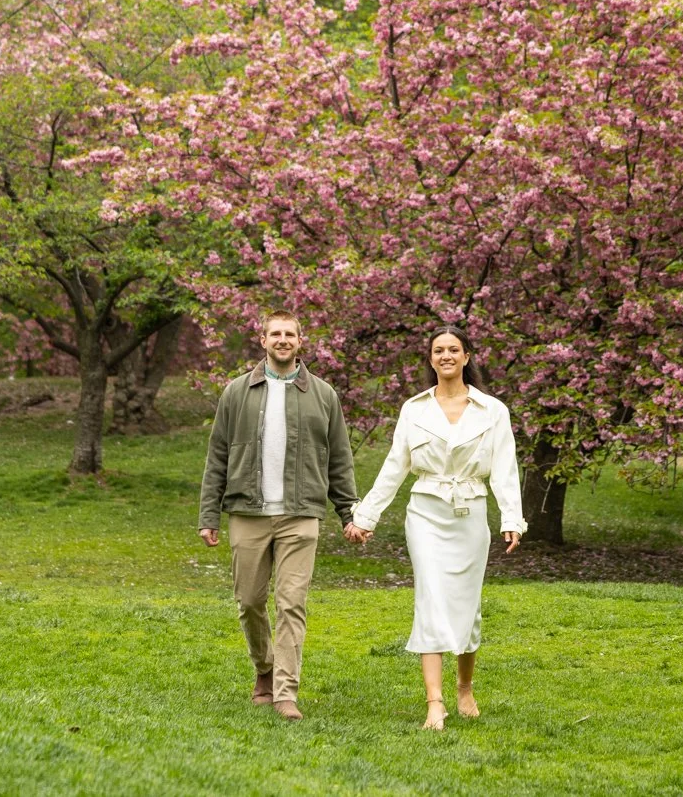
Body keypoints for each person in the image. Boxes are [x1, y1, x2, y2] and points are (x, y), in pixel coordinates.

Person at [345, 326, 526, 730]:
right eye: (438, 350)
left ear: (466, 357)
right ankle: (434, 702)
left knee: (466, 605)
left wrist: (511, 519)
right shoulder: (414, 409)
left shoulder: (493, 411)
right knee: (430, 598)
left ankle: (464, 687)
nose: (446, 355)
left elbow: (504, 469)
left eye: (454, 349)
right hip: (425, 513)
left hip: (471, 513)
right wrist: (365, 516)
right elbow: (395, 466)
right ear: (431, 360)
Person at [198, 310, 358, 721]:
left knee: (291, 604)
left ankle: (286, 692)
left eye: (290, 333)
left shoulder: (323, 395)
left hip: (301, 514)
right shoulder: (236, 392)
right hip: (247, 512)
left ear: (300, 341)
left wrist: (348, 513)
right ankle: (264, 670)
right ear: (263, 339)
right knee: (249, 601)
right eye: (276, 333)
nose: (283, 339)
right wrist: (208, 514)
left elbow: (339, 458)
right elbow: (217, 454)